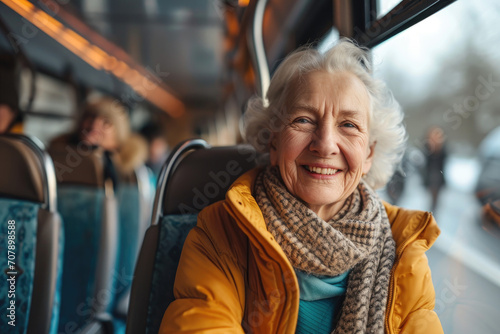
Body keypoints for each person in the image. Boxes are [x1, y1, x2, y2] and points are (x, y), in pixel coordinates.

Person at [160, 40, 443, 333]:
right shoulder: (220, 233)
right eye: (304, 120)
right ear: (273, 141)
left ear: (369, 153)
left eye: (348, 125)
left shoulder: (405, 251)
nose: (325, 144)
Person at [423, 126, 447, 212]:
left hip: (438, 180)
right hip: (428, 180)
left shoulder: (443, 150)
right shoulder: (425, 149)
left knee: (435, 204)